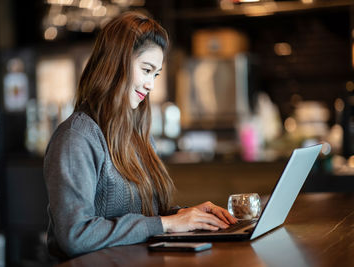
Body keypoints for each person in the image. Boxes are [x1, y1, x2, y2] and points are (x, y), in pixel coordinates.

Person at [43, 11, 237, 260]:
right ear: (115, 63)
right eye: (146, 70)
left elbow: (147, 217)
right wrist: (166, 224)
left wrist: (186, 215)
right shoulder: (75, 138)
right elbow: (75, 236)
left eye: (155, 74)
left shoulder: (137, 134)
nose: (151, 84)